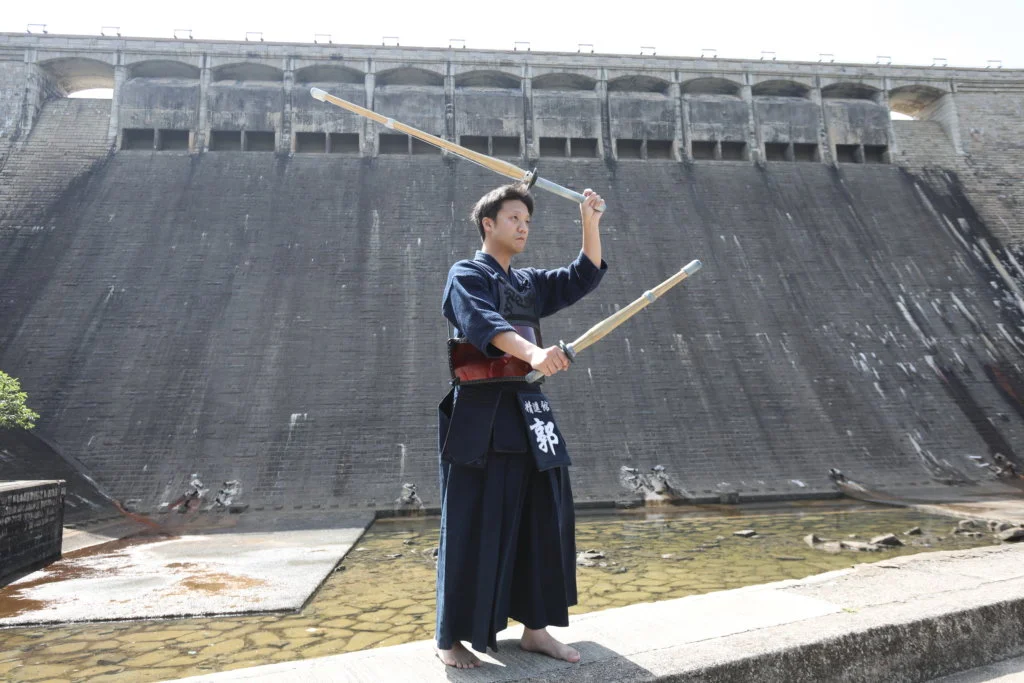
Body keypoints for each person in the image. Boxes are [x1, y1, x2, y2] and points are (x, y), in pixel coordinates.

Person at [435, 183, 607, 669]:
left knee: (542, 516)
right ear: (488, 223)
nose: (523, 226)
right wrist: (534, 352)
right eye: (514, 218)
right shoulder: (466, 274)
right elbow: (482, 322)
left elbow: (580, 277)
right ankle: (450, 636)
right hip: (480, 411)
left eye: (527, 221)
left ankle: (535, 629)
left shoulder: (528, 282)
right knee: (471, 520)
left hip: (529, 410)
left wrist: (589, 224)